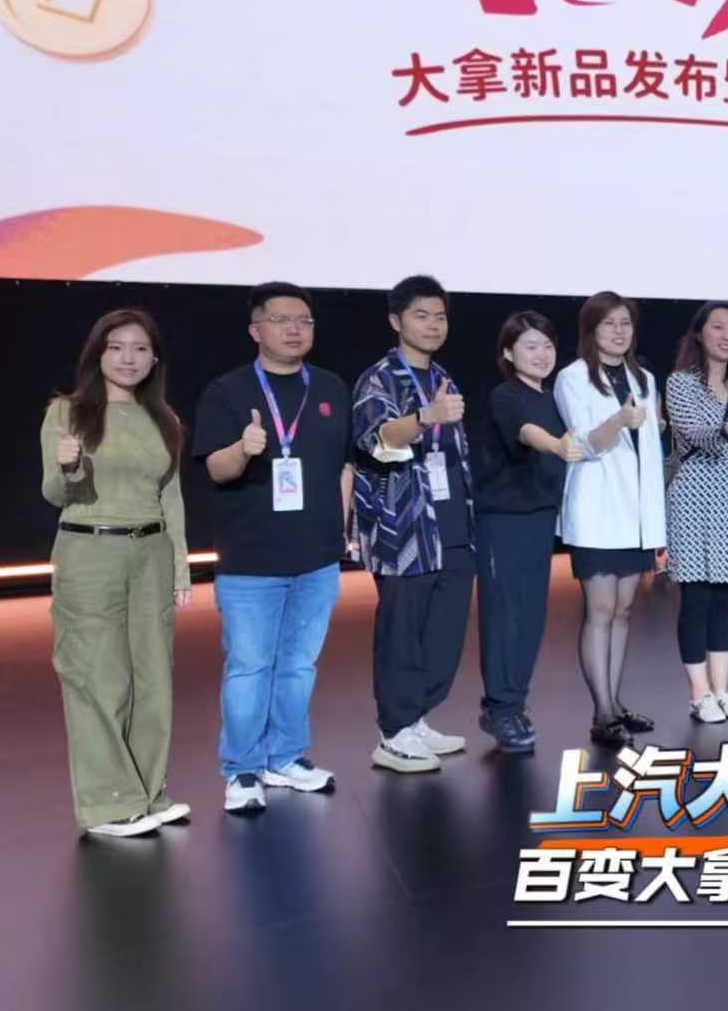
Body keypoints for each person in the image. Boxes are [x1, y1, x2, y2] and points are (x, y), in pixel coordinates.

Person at [193, 282, 354, 817]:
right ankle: (241, 768)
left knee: (299, 666)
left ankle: (285, 756)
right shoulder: (227, 390)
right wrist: (243, 449)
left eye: (304, 321)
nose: (294, 330)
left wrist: (341, 529)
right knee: (249, 667)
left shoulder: (329, 387)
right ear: (255, 330)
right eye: (281, 320)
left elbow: (345, 464)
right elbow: (216, 469)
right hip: (251, 560)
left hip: (317, 557)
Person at [40, 308, 192, 837]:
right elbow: (55, 493)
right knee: (96, 677)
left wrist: (180, 567)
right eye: (117, 347)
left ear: (155, 359)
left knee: (154, 679)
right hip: (90, 551)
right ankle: (108, 804)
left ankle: (147, 793)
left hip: (151, 553)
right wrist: (68, 466)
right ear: (97, 353)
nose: (129, 358)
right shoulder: (68, 412)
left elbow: (171, 497)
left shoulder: (164, 419)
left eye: (141, 348)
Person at [353, 275, 475, 774]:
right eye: (421, 315)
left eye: (440, 316)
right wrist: (425, 416)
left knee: (443, 634)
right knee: (402, 633)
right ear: (395, 320)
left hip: (452, 526)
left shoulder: (443, 376)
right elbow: (376, 438)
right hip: (404, 529)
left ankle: (417, 718)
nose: (433, 325)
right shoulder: (379, 379)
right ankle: (393, 732)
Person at [554, 292, 665, 747]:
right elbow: (583, 444)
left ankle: (615, 703)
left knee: (623, 610)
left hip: (635, 514)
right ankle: (602, 712)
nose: (619, 332)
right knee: (599, 610)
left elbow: (651, 451)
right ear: (591, 330)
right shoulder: (573, 377)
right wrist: (619, 420)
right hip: (597, 510)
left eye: (625, 323)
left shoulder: (645, 378)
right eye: (608, 324)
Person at [472, 311, 584, 755]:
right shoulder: (506, 395)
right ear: (508, 352)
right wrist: (556, 444)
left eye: (548, 346)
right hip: (503, 520)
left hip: (540, 518)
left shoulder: (554, 398)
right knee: (505, 616)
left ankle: (514, 702)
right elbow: (527, 432)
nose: (541, 354)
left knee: (531, 617)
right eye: (530, 346)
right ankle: (500, 707)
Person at [662, 302, 728, 724]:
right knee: (696, 595)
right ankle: (698, 693)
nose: (727, 336)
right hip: (692, 494)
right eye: (718, 328)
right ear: (699, 333)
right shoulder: (680, 383)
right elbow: (693, 433)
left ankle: (722, 689)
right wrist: (727, 429)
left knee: (725, 596)